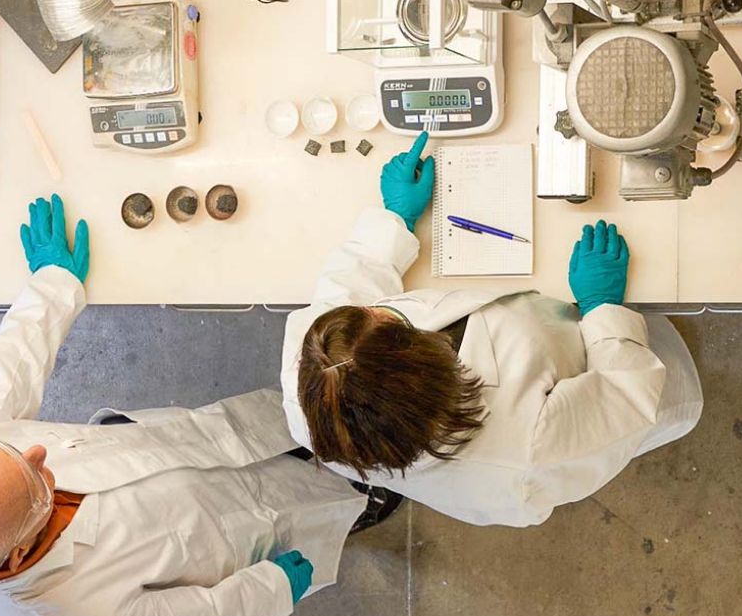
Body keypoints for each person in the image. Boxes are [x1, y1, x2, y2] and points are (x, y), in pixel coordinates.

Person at [0, 195, 366, 616]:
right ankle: (367, 497)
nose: (39, 453)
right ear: (18, 554)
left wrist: (52, 285)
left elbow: (6, 374)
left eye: (14, 453)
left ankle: (319, 443)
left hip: (184, 447)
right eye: (36, 484)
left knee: (285, 426)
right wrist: (271, 589)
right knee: (333, 495)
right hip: (237, 529)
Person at [280, 132, 704, 527]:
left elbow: (345, 293)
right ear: (419, 366)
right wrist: (603, 310)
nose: (378, 308)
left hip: (538, 340)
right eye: (390, 321)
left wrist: (393, 219)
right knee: (667, 382)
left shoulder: (318, 371)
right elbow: (624, 399)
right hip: (597, 372)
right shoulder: (527, 450)